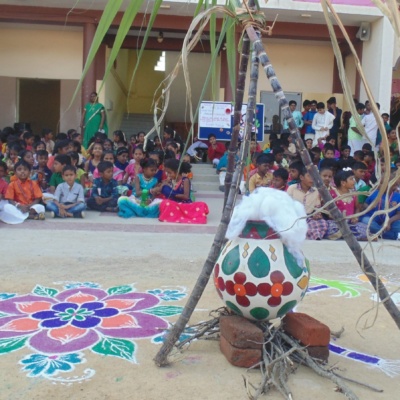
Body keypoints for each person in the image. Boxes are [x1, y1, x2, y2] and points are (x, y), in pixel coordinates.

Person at [158, 159, 209, 224]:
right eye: (167, 173)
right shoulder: (170, 181)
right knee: (165, 202)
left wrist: (173, 194)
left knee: (201, 205)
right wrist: (163, 186)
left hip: (184, 204)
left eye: (170, 172)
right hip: (174, 204)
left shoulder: (185, 180)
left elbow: (186, 196)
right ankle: (176, 214)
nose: (168, 175)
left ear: (177, 171)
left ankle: (179, 214)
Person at [287, 167, 328, 240]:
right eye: (309, 176)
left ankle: (307, 233)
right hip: (294, 218)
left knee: (323, 224)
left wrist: (317, 214)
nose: (312, 179)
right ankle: (311, 234)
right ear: (302, 177)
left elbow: (317, 207)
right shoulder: (292, 188)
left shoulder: (316, 191)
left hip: (309, 218)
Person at [325, 169, 368, 240]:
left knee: (363, 227)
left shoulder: (354, 194)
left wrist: (355, 217)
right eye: (351, 179)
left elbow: (357, 208)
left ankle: (344, 234)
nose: (354, 181)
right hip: (337, 222)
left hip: (350, 223)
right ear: (343, 183)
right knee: (330, 227)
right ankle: (350, 235)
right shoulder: (332, 193)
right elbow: (328, 210)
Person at [0, 159, 45, 224]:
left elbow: (38, 198)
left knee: (40, 207)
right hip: (18, 207)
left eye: (25, 169)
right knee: (7, 207)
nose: (22, 172)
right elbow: (10, 200)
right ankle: (29, 216)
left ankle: (25, 215)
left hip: (30, 207)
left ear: (29, 172)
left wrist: (29, 206)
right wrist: (19, 206)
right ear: (15, 173)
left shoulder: (33, 183)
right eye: (19, 169)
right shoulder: (12, 184)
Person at [360, 172, 400, 240]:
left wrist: (389, 222)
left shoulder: (398, 196)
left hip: (389, 222)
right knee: (366, 221)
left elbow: (398, 214)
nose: (378, 185)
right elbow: (365, 204)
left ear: (392, 185)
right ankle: (392, 235)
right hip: (373, 219)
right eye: (379, 182)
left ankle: (378, 233)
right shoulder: (375, 193)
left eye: (381, 183)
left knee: (398, 225)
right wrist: (369, 207)